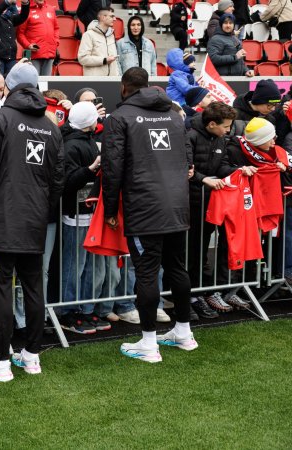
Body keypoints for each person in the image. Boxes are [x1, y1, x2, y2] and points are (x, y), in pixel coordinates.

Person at [0, 62, 63, 381]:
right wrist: (43, 209)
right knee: (33, 287)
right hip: (34, 219)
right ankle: (31, 355)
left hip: (2, 218)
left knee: (2, 287)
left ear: (8, 87)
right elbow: (57, 180)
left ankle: (1, 360)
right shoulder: (51, 127)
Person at [101, 67, 195, 364]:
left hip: (145, 206)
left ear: (124, 87)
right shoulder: (174, 113)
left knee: (146, 272)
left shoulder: (119, 117)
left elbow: (112, 166)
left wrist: (112, 207)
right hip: (177, 204)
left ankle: (149, 343)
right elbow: (188, 158)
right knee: (176, 267)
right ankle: (183, 333)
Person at [186, 102, 252, 312]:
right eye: (226, 126)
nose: (229, 130)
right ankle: (193, 296)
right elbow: (184, 169)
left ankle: (210, 291)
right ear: (212, 123)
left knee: (214, 249)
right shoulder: (190, 136)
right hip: (193, 205)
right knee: (195, 252)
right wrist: (204, 179)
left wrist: (238, 170)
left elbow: (222, 166)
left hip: (215, 203)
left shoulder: (221, 139)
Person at [58, 101, 114, 334]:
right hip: (76, 215)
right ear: (88, 122)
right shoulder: (71, 146)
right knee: (74, 267)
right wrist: (90, 169)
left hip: (92, 214)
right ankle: (69, 312)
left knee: (93, 267)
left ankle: (85, 309)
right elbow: (66, 183)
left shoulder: (87, 141)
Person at [0, 0, 29, 76]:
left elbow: (23, 16)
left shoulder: (10, 19)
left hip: (11, 56)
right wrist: (7, 2)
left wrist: (25, 3)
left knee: (11, 82)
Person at [16, 0, 59, 76]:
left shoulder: (50, 9)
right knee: (34, 81)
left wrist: (55, 42)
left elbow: (56, 28)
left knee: (46, 82)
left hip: (50, 52)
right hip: (34, 54)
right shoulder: (26, 10)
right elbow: (20, 34)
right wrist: (28, 45)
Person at [78, 8, 121, 77]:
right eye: (111, 16)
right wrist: (104, 60)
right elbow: (82, 59)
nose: (115, 19)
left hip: (111, 81)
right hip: (95, 81)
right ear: (103, 17)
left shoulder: (111, 35)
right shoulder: (88, 34)